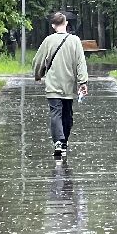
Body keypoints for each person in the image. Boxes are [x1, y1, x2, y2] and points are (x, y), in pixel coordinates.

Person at [32, 10, 89, 158]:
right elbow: (80, 63)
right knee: (67, 115)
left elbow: (38, 60)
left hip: (52, 85)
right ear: (66, 23)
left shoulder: (48, 40)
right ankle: (63, 142)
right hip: (68, 86)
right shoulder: (75, 40)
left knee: (55, 114)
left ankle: (58, 141)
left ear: (53, 25)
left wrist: (38, 75)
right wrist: (82, 82)